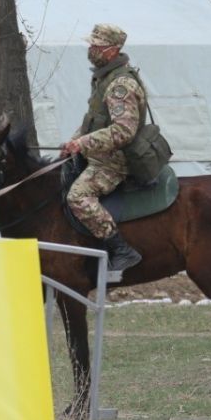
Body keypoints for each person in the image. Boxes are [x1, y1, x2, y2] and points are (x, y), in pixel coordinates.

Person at [60, 23, 145, 280]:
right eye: (91, 44)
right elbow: (93, 119)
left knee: (77, 196)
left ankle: (120, 248)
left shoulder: (121, 85)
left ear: (112, 50)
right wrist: (74, 141)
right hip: (98, 153)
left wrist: (84, 144)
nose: (90, 49)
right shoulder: (103, 78)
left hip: (115, 161)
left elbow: (123, 131)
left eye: (96, 46)